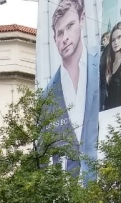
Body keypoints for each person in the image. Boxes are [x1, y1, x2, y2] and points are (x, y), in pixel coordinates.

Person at [44, 0, 100, 182]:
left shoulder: (101, 66)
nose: (65, 37)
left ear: (82, 19)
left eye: (70, 26)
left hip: (108, 188)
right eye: (60, 33)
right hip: (67, 196)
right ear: (54, 39)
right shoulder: (47, 95)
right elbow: (44, 152)